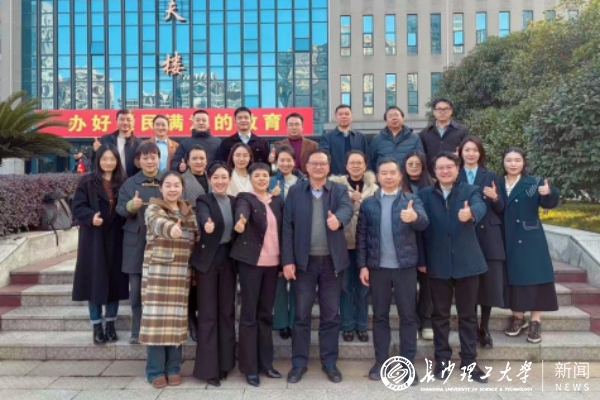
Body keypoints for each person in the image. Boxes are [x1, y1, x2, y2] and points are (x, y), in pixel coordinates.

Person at [282, 149, 353, 384]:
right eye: (314, 163)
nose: (319, 167)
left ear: (328, 167)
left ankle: (329, 362)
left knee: (331, 315)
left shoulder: (339, 190)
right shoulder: (296, 191)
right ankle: (299, 363)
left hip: (332, 263)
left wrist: (338, 219)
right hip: (304, 263)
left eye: (323, 163)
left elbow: (347, 208)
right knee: (301, 314)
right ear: (307, 166)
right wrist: (288, 260)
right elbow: (287, 226)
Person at [418, 151, 489, 383]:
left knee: (468, 315)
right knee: (439, 315)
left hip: (467, 263)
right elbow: (420, 231)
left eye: (449, 167)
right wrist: (422, 260)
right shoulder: (425, 195)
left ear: (457, 169)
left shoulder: (470, 191)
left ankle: (469, 361)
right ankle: (442, 360)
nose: (445, 171)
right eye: (440, 167)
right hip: (437, 263)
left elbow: (480, 207)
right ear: (434, 171)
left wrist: (471, 213)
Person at [357, 157, 429, 383]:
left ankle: (407, 365)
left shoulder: (411, 199)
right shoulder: (369, 203)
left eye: (392, 173)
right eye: (384, 173)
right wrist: (362, 266)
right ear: (378, 177)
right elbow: (361, 237)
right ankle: (381, 362)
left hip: (404, 268)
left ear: (400, 176)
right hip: (377, 268)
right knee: (380, 316)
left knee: (408, 317)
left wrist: (414, 217)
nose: (388, 176)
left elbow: (424, 223)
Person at [141, 171, 199, 388]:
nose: (173, 189)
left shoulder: (188, 212)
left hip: (182, 273)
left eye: (176, 185)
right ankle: (155, 370)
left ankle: (174, 368)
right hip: (158, 273)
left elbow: (197, 237)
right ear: (161, 188)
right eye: (168, 185)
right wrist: (171, 228)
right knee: (156, 323)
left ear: (182, 188)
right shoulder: (153, 208)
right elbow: (157, 223)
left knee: (176, 322)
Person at [230, 162, 284, 387]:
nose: (262, 179)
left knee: (265, 315)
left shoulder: (276, 201)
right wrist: (241, 221)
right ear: (251, 179)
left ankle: (266, 363)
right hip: (251, 264)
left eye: (265, 175)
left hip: (272, 265)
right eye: (257, 176)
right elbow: (241, 211)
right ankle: (249, 367)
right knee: (249, 316)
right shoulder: (245, 198)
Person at [500, 147, 559, 344]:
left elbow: (548, 203)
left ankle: (535, 321)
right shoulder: (497, 183)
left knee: (536, 277)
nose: (513, 164)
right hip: (507, 237)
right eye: (509, 160)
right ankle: (518, 317)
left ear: (523, 162)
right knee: (515, 277)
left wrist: (549, 192)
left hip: (531, 238)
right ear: (503, 162)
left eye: (517, 160)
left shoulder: (534, 182)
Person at [72, 144, 129, 344]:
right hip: (94, 239)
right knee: (94, 283)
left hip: (116, 238)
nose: (108, 162)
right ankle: (97, 326)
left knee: (114, 282)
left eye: (112, 159)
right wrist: (90, 217)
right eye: (104, 159)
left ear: (117, 161)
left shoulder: (123, 182)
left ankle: (111, 325)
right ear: (98, 160)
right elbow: (77, 206)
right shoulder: (87, 181)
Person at [457, 136, 507, 349]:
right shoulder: (454, 173)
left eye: (475, 150)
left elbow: (501, 208)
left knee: (488, 284)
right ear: (460, 153)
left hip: (488, 236)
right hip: (464, 233)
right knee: (468, 286)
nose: (471, 154)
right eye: (467, 150)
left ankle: (484, 328)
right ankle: (469, 327)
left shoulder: (491, 175)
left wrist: (495, 197)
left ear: (480, 153)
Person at [190, 162, 237, 387]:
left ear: (229, 179)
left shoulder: (235, 202)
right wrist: (206, 223)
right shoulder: (204, 200)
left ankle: (225, 363)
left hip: (228, 259)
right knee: (208, 313)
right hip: (208, 261)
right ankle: (209, 369)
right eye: (216, 177)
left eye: (224, 177)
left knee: (226, 312)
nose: (220, 181)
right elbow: (203, 215)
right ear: (209, 179)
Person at [328, 150, 378, 343]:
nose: (356, 166)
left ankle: (362, 325)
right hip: (344, 243)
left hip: (367, 245)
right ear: (346, 166)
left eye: (359, 163)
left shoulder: (374, 188)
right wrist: (350, 201)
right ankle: (347, 325)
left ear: (365, 165)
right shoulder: (336, 187)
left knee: (364, 288)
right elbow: (332, 211)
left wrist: (362, 201)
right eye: (352, 163)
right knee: (346, 287)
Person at [116, 142, 163, 344]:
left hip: (162, 243)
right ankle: (137, 330)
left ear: (159, 159)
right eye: (145, 158)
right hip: (136, 244)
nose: (150, 161)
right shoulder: (130, 184)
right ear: (138, 161)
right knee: (136, 293)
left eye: (153, 157)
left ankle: (159, 329)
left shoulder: (167, 180)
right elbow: (119, 209)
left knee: (160, 291)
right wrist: (131, 206)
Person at [268, 146, 305, 340]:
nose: (285, 163)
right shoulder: (269, 181)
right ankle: (281, 322)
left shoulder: (303, 181)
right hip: (276, 235)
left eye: (288, 160)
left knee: (298, 283)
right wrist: (271, 196)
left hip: (299, 236)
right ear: (276, 162)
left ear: (294, 161)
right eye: (281, 160)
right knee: (279, 284)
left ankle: (294, 321)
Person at [402, 150, 435, 340]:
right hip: (405, 242)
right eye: (410, 164)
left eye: (418, 164)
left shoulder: (433, 186)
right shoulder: (398, 185)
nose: (414, 167)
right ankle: (411, 321)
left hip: (428, 240)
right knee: (408, 287)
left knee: (427, 285)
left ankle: (427, 321)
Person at [181, 144, 211, 342]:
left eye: (202, 158)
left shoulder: (212, 177)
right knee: (191, 280)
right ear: (187, 161)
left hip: (211, 236)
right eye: (195, 158)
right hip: (189, 234)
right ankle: (191, 318)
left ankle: (205, 317)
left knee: (204, 279)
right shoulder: (181, 181)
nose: (199, 162)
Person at [419, 98, 470, 170]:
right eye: (439, 109)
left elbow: (468, 150)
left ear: (451, 111)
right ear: (434, 112)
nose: (442, 112)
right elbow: (421, 155)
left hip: (455, 172)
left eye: (446, 109)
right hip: (432, 174)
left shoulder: (462, 130)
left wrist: (461, 155)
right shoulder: (425, 133)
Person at [369, 106, 423, 171]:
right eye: (390, 116)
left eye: (396, 115)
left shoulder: (414, 137)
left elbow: (421, 159)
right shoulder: (377, 139)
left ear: (402, 118)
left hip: (407, 176)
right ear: (386, 120)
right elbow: (371, 161)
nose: (394, 118)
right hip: (385, 175)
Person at [319, 105, 369, 175]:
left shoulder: (360, 137)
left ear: (352, 117)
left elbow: (367, 158)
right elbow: (323, 158)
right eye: (340, 114)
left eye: (347, 114)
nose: (344, 116)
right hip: (335, 177)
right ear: (336, 118)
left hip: (357, 176)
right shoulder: (327, 137)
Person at [92, 109, 142, 177]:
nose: (125, 122)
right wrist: (95, 151)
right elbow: (94, 163)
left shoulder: (139, 144)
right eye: (122, 119)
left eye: (128, 120)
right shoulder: (106, 139)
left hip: (131, 180)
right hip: (110, 180)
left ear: (133, 122)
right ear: (116, 121)